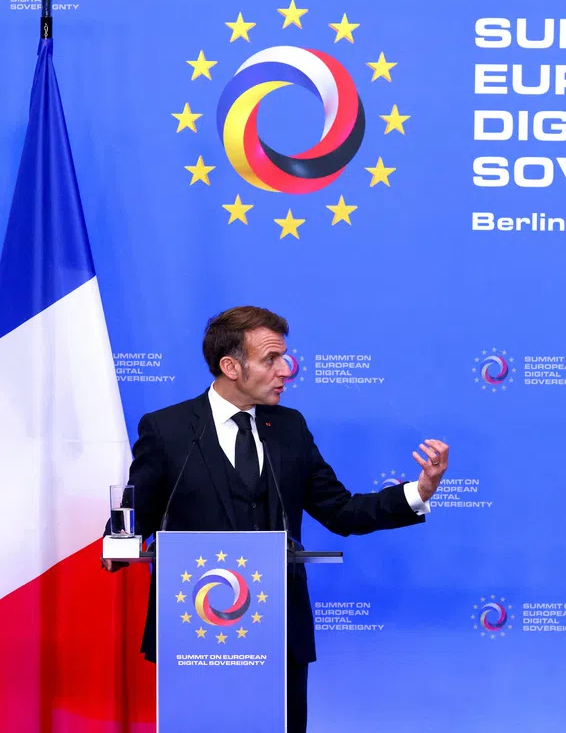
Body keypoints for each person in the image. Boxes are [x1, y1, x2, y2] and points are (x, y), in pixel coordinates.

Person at [102, 306, 448, 732]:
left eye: (283, 357)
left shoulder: (289, 427)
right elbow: (133, 519)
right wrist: (119, 541)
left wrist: (419, 492)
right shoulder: (167, 430)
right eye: (270, 359)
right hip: (194, 634)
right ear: (230, 366)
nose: (286, 369)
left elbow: (341, 511)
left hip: (278, 633)